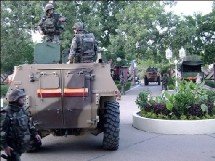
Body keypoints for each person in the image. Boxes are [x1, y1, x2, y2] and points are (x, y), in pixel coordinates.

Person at [0, 89, 41, 161]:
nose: (24, 99)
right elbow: (1, 132)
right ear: (15, 99)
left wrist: (35, 133)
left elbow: (29, 123)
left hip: (21, 145)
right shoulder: (5, 113)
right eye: (22, 98)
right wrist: (5, 146)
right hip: (12, 146)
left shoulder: (23, 110)